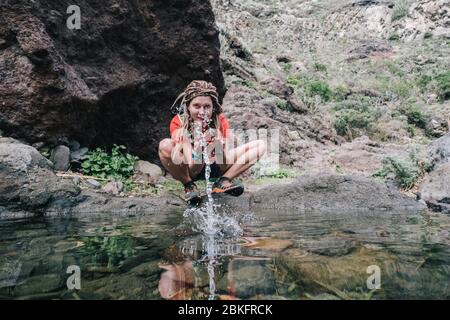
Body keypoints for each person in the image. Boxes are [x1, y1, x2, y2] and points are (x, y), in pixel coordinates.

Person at [158, 80, 266, 204]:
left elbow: (224, 164)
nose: (202, 112)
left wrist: (219, 148)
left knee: (260, 146)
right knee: (165, 145)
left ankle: (223, 182)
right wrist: (200, 151)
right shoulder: (179, 122)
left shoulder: (220, 120)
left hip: (217, 164)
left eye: (207, 107)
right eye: (196, 106)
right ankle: (189, 186)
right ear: (188, 106)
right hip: (190, 168)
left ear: (213, 107)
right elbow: (193, 170)